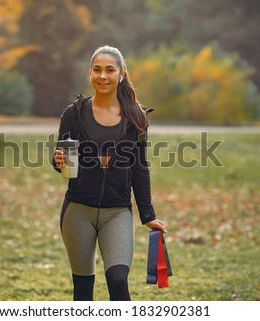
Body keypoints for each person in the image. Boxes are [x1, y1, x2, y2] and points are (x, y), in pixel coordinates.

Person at [53, 45, 166, 301]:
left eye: (110, 70)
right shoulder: (74, 114)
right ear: (89, 73)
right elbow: (61, 157)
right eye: (97, 70)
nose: (103, 76)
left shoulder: (135, 117)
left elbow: (140, 167)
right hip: (78, 211)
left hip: (117, 212)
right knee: (82, 291)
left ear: (121, 74)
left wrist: (148, 214)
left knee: (117, 279)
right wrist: (58, 159)